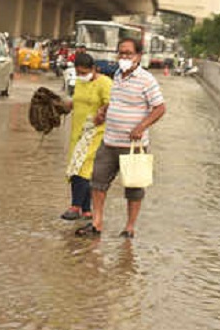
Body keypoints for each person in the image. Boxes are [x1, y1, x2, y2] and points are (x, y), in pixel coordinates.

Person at [75, 38, 166, 238]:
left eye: (128, 53)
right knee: (97, 183)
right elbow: (115, 100)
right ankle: (97, 223)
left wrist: (141, 126)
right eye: (121, 53)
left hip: (133, 145)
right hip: (109, 141)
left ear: (139, 56)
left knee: (134, 189)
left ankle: (129, 228)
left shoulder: (147, 80)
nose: (124, 57)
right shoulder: (116, 75)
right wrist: (103, 112)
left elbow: (160, 108)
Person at [61, 53, 112, 221]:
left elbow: (112, 103)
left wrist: (102, 112)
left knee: (80, 168)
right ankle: (86, 209)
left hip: (95, 132)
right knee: (82, 168)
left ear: (94, 69)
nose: (81, 76)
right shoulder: (80, 83)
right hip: (78, 131)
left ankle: (75, 206)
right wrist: (66, 106)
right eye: (78, 73)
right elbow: (78, 101)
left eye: (84, 72)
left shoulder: (104, 83)